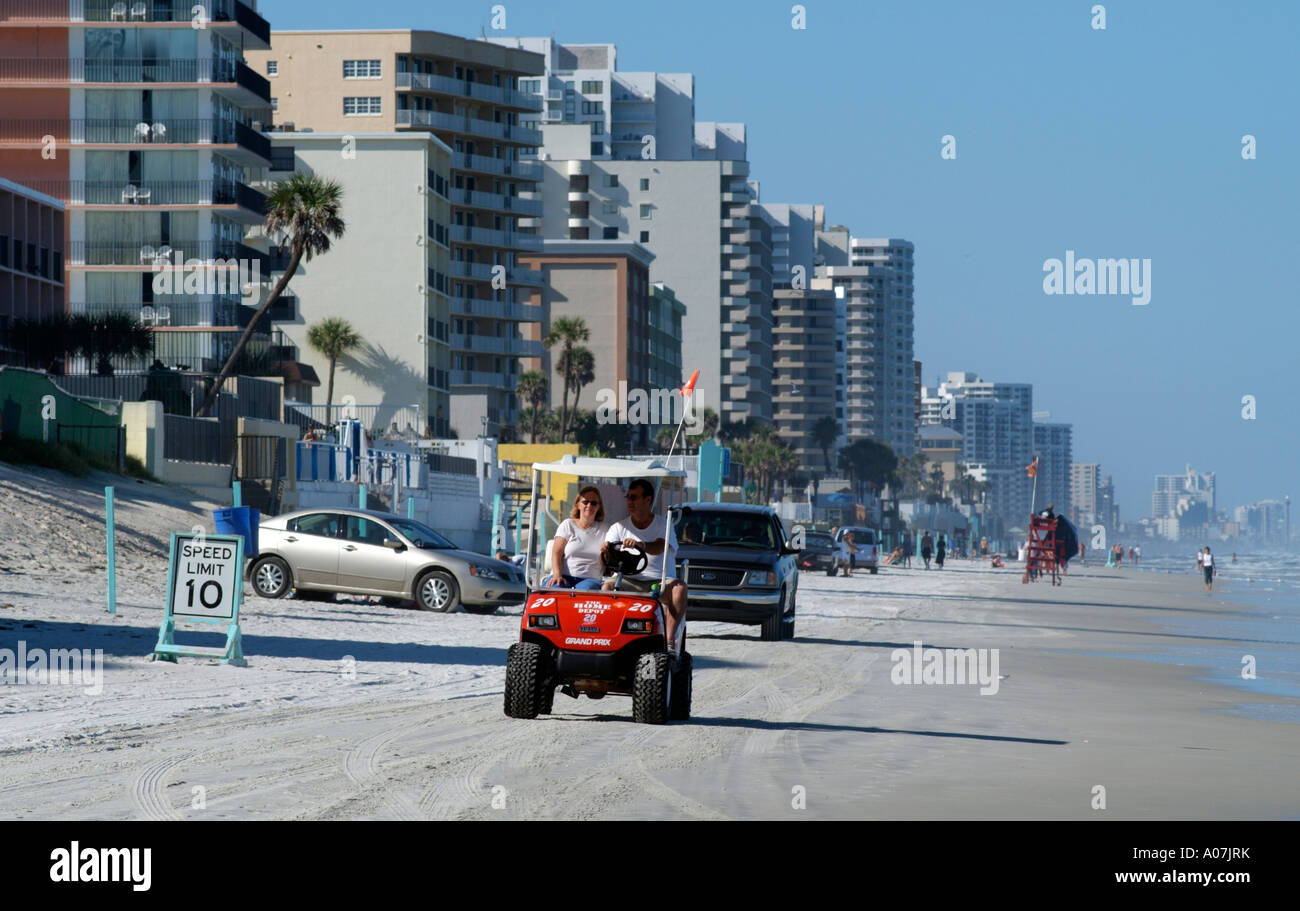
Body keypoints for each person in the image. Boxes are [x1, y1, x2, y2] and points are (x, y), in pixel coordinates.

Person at [601, 478, 689, 649]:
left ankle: (668, 641)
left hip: (659, 582)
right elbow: (605, 562)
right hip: (627, 581)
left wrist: (642, 545)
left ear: (648, 500)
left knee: (680, 590)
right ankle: (608, 638)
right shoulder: (618, 527)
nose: (629, 502)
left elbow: (659, 546)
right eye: (628, 497)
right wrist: (606, 552)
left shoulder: (664, 524)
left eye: (634, 497)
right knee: (606, 589)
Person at [543, 485, 610, 591]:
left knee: (584, 591)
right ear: (578, 505)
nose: (589, 505)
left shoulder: (606, 529)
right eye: (585, 502)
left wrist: (606, 553)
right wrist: (557, 575)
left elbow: (607, 562)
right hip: (563, 575)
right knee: (556, 589)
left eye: (594, 503)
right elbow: (556, 553)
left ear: (598, 507)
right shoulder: (567, 525)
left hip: (590, 579)